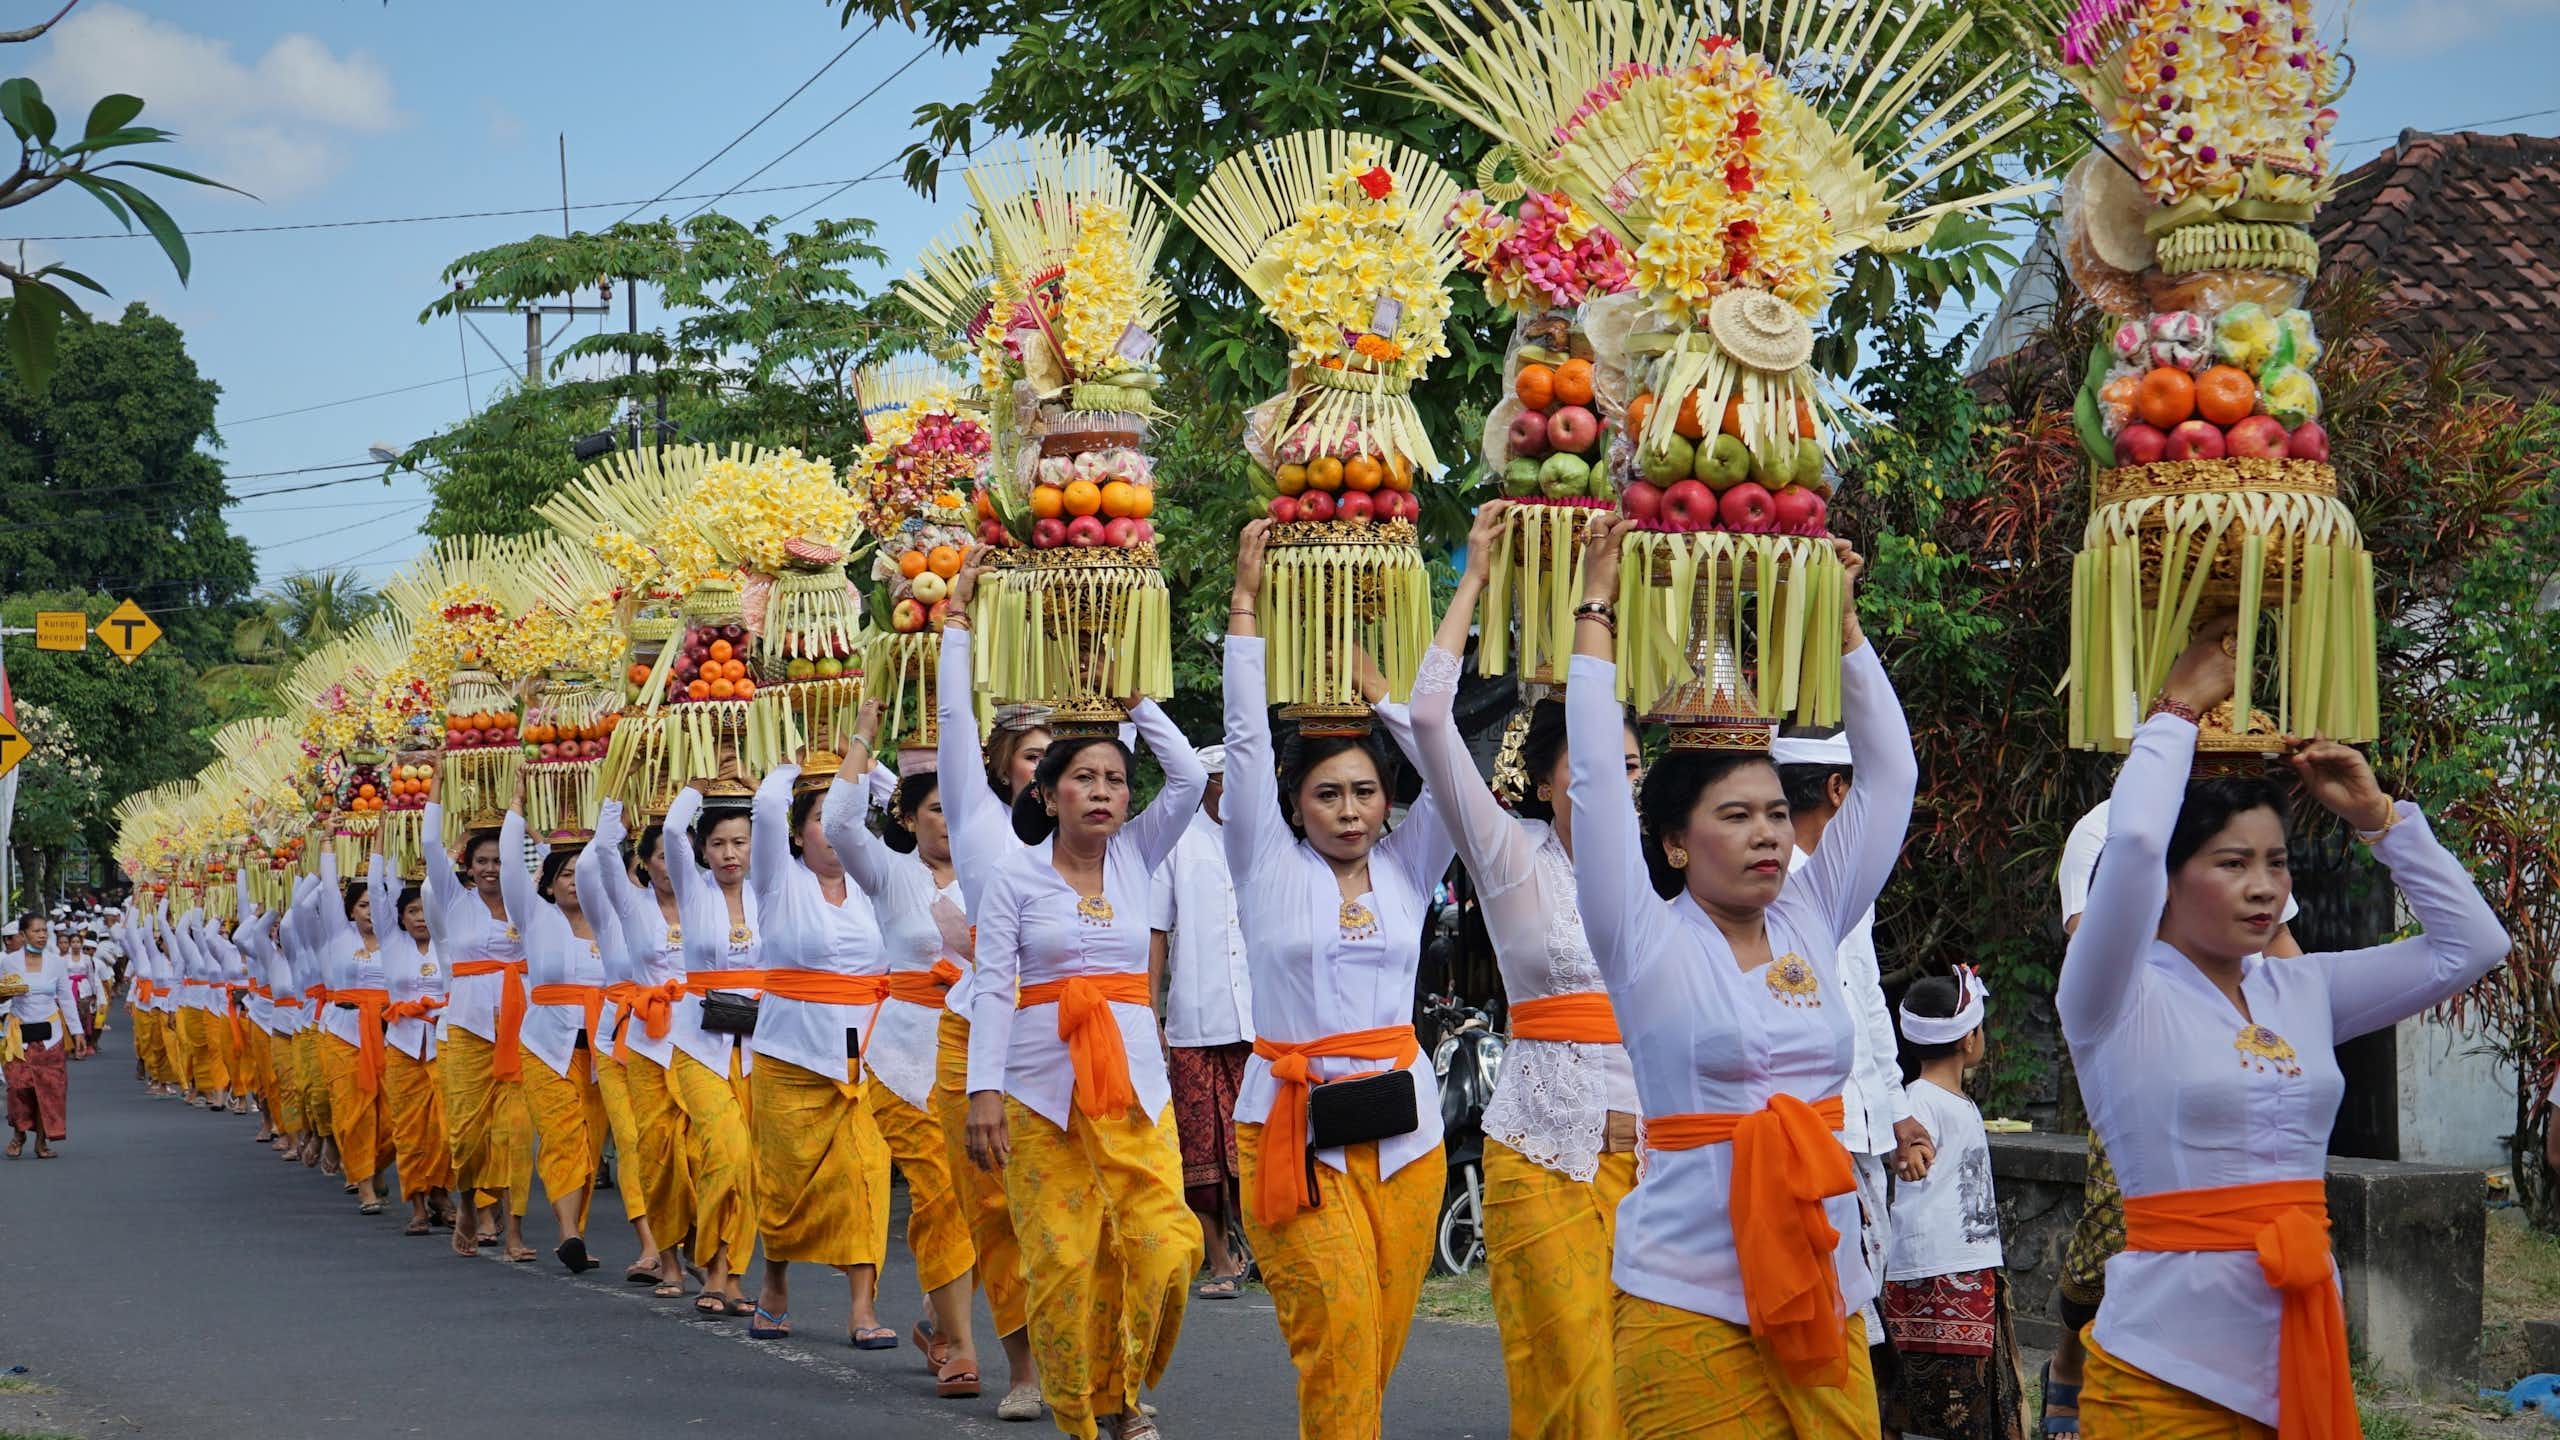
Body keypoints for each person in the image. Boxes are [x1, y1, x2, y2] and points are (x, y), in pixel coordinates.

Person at [2058, 619, 2508, 1440]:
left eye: (2276, 862)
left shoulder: (2303, 989)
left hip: (2298, 1344)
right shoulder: (2112, 995)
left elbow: (2473, 946)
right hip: (2162, 1364)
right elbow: (2131, 840)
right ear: (2167, 880)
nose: (2264, 887)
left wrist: (2381, 820)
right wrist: (2176, 714)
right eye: (2232, 863)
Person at [1565, 516, 1915, 1436]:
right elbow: (1599, 782)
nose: (1767, 831)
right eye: (1735, 815)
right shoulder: (1640, 936)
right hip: (1684, 1292)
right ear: (1677, 842)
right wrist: (1596, 613)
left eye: (1773, 811)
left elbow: (1892, 776)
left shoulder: (1812, 911)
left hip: (1823, 1284)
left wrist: (1843, 633)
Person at [1408, 501, 1645, 1439]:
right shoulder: (1515, 861)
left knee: (1647, 1381)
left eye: (1629, 763)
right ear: (1547, 780)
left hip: (1664, 1153)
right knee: (1566, 1380)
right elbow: (1430, 718)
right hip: (1542, 1145)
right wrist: (1471, 578)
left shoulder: (1679, 877)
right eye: (1589, 763)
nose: (1612, 779)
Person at [1223, 518, 1457, 1440]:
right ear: (1293, 805)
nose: (1350, 810)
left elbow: (1449, 776)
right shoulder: (1263, 862)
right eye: (1328, 794)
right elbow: (1244, 744)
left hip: (1407, 1134)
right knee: (1338, 1330)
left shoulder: (1410, 862)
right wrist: (1246, 609)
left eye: (1364, 792)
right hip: (1290, 1132)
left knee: (1379, 1340)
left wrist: (1384, 699)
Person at [964, 684, 1207, 1440]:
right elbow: (994, 988)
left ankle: (1125, 1385)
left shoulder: (1139, 854)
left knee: (1164, 1246)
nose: (1102, 793)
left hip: (1133, 1086)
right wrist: (983, 1091)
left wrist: (1136, 706)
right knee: (1064, 1262)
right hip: (1037, 1090)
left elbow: (1192, 778)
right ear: (1046, 791)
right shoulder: (1015, 876)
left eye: (1115, 781)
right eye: (1083, 778)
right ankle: (1085, 1412)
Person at [2043, 796, 2303, 1440]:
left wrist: (2304, 1025)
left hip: (2256, 1068)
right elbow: (2092, 947)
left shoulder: (2249, 820)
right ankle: (2077, 1355)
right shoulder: (2102, 830)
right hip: (2153, 1067)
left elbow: (2285, 948)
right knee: (2110, 1233)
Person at [821, 709, 986, 1397]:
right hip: (901, 1057)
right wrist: (864, 735)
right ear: (912, 817)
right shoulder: (890, 873)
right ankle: (963, 1351)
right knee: (940, 1196)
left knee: (978, 1203)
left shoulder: (995, 870)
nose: (949, 821)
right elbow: (836, 826)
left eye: (958, 808)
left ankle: (933, 1316)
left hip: (979, 1058)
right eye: (936, 809)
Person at [1775, 727, 1934, 1374]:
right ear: (1838, 789)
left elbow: (1867, 997)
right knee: (1823, 1303)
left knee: (1863, 1287)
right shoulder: (1766, 877)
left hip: (1861, 1121)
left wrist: (1893, 1108)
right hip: (1804, 1122)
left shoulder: (1844, 877)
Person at [933, 570, 1051, 1423]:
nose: (1053, 771)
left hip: (1070, 1034)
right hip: (980, 1030)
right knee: (997, 1211)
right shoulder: (974, 817)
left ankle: (1092, 1356)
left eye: (1066, 756)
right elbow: (950, 720)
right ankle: (1021, 1368)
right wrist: (960, 621)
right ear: (1003, 767)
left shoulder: (1099, 826)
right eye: (1036, 757)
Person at [740, 753, 897, 1346]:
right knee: (784, 1181)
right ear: (797, 833)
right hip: (789, 1053)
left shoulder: (878, 879)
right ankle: (774, 1282)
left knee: (865, 1176)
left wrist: (862, 757)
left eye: (843, 823)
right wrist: (794, 763)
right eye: (820, 821)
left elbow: (905, 802)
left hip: (867, 1056)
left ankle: (862, 1307)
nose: (832, 835)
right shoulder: (776, 880)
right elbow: (765, 805)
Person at [1884, 970, 2027, 1440]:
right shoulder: (1916, 1103)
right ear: (1969, 1039)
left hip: (1968, 1266)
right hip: (1934, 1269)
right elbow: (1904, 1163)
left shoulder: (1953, 1101)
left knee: (1971, 1405)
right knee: (1941, 1411)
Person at [1148, 741, 1256, 1302]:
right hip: (1195, 1017)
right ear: (1210, 785)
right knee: (1201, 1145)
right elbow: (1155, 932)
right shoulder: (1176, 844)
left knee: (1259, 1139)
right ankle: (1219, 1255)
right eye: (1226, 782)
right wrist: (1150, 1012)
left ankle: (1262, 1247)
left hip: (1260, 1024)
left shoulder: (1263, 839)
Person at [578, 798, 694, 1293]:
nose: (673, 863)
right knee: (642, 1144)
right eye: (663, 854)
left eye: (681, 850)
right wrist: (614, 801)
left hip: (700, 1039)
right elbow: (597, 857)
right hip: (633, 1037)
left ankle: (705, 1251)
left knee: (700, 1150)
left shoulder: (711, 899)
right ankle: (656, 1247)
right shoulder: (625, 906)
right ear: (643, 863)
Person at [662, 781, 766, 1317]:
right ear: (703, 850)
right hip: (699, 1042)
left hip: (759, 1043)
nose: (730, 854)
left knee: (748, 1163)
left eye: (741, 843)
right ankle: (711, 1261)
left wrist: (764, 785)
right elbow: (670, 829)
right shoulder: (692, 889)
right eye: (720, 844)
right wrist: (699, 784)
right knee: (724, 1153)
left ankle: (732, 1270)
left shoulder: (771, 888)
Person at [501, 809, 615, 1274]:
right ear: (547, 884)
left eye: (581, 873)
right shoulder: (536, 916)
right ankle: (568, 1232)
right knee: (562, 1137)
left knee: (590, 1142)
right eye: (564, 874)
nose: (573, 882)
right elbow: (510, 864)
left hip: (603, 1047)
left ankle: (576, 1231)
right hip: (546, 1045)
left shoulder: (615, 920)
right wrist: (517, 806)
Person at [423, 800, 537, 1260]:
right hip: (468, 1027)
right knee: (468, 1134)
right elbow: (430, 845)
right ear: (467, 866)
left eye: (500, 861)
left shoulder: (528, 904)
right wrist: (435, 783)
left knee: (516, 1131)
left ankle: (514, 1230)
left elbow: (552, 855)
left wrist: (522, 805)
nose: (491, 869)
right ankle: (469, 1200)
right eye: (482, 862)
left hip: (520, 1026)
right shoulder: (451, 902)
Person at [303, 851, 393, 1214]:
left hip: (390, 1031)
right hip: (342, 1031)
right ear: (350, 909)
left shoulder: (395, 939)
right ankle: (365, 1182)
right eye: (363, 905)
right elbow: (316, 898)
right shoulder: (335, 936)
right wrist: (327, 846)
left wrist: (382, 848)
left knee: (390, 1115)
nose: (371, 911)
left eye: (377, 904)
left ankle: (377, 1161)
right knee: (352, 1110)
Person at [374, 859, 454, 1234]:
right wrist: (382, 843)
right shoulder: (391, 943)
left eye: (424, 910)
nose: (420, 917)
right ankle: (418, 1204)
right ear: (400, 918)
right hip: (403, 1044)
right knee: (408, 1129)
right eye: (411, 911)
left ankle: (441, 1191)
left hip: (443, 1042)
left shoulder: (447, 942)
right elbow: (377, 891)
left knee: (445, 1125)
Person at [4, 913, 88, 1156]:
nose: (41, 936)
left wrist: (78, 1032)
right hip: (18, 1035)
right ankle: (19, 1134)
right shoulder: (8, 962)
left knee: (49, 1089)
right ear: (23, 934)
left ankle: (41, 1142)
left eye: (44, 931)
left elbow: (66, 999)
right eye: (36, 931)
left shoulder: (56, 962)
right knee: (18, 1087)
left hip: (50, 1034)